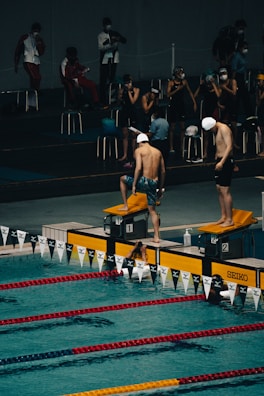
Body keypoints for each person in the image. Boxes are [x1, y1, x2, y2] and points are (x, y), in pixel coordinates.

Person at [119, 133, 166, 243]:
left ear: (139, 142)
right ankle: (156, 237)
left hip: (143, 181)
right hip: (154, 182)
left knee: (122, 179)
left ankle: (126, 205)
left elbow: (139, 168)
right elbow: (163, 171)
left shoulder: (139, 151)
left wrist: (134, 184)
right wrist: (160, 188)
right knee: (152, 211)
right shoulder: (158, 152)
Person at [201, 117, 234, 227]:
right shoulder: (217, 130)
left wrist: (222, 162)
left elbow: (229, 146)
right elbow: (220, 145)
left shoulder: (224, 129)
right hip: (220, 160)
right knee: (219, 188)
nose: (211, 132)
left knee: (225, 190)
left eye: (210, 130)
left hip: (226, 161)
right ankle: (223, 216)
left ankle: (230, 219)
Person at [167, 66, 197, 155]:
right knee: (172, 127)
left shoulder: (184, 82)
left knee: (182, 127)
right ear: (176, 74)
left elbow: (190, 92)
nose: (182, 74)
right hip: (173, 106)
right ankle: (171, 147)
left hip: (181, 106)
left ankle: (182, 146)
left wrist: (194, 102)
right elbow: (168, 94)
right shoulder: (171, 83)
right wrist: (177, 89)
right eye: (180, 72)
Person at [98, 17, 127, 106]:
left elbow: (124, 40)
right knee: (103, 79)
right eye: (107, 25)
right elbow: (101, 47)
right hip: (105, 60)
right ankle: (103, 98)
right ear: (103, 26)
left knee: (112, 78)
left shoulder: (114, 33)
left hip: (114, 58)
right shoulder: (101, 35)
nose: (108, 26)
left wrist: (117, 38)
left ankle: (112, 97)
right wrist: (110, 43)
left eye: (109, 25)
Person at [194, 71, 221, 159]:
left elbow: (218, 95)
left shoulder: (217, 88)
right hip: (206, 112)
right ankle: (205, 152)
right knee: (206, 134)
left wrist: (213, 84)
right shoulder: (204, 89)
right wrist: (200, 85)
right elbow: (195, 95)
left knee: (216, 133)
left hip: (214, 111)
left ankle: (217, 152)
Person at [14, 22, 45, 92]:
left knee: (37, 77)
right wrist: (16, 63)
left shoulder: (39, 39)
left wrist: (39, 43)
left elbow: (41, 52)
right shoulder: (25, 37)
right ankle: (34, 92)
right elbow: (18, 50)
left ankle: (34, 92)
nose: (36, 33)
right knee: (35, 77)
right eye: (35, 31)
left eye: (38, 31)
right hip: (28, 60)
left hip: (36, 61)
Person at [117, 74, 140, 166]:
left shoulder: (136, 90)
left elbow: (133, 101)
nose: (128, 84)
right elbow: (119, 101)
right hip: (124, 112)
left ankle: (134, 153)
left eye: (129, 82)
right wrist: (120, 95)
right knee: (125, 134)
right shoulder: (122, 90)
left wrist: (129, 92)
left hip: (133, 112)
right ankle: (125, 154)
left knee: (133, 134)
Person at [217, 67, 239, 148]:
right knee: (223, 124)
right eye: (221, 74)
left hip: (233, 105)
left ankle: (234, 142)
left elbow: (234, 93)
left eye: (224, 73)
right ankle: (225, 142)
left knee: (234, 125)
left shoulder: (232, 81)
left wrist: (225, 88)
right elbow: (219, 96)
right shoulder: (220, 85)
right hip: (224, 106)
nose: (223, 76)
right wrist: (219, 104)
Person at [231, 40, 253, 117]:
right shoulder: (237, 56)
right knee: (238, 97)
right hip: (237, 77)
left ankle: (249, 115)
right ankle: (235, 115)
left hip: (242, 77)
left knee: (245, 97)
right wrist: (233, 82)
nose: (246, 49)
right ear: (240, 48)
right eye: (244, 48)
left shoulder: (243, 56)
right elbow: (234, 69)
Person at [256, 73, 264, 156]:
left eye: (260, 81)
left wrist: (259, 91)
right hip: (261, 112)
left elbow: (261, 98)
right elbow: (258, 103)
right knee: (262, 132)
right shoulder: (259, 90)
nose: (258, 83)